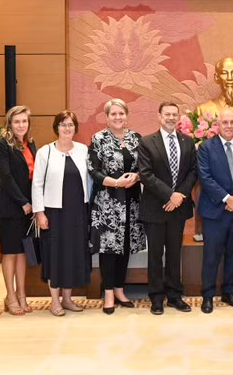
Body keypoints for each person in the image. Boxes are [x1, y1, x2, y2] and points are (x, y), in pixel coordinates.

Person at [138, 101, 198, 315]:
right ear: (159, 116)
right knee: (155, 255)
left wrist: (179, 196)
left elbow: (193, 171)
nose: (171, 117)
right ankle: (156, 298)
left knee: (174, 253)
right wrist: (168, 194)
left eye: (175, 114)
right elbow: (145, 174)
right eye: (167, 114)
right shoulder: (146, 142)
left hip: (178, 207)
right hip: (155, 206)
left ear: (179, 117)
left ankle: (174, 296)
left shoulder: (188, 142)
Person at [88, 99, 147, 315]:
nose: (118, 117)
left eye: (121, 113)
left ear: (126, 115)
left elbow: (146, 166)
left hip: (131, 201)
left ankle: (121, 290)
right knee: (108, 249)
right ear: (106, 117)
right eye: (113, 114)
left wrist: (138, 176)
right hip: (108, 203)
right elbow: (93, 171)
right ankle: (109, 293)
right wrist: (116, 182)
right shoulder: (98, 139)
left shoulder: (136, 138)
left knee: (124, 247)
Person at [32, 110, 91, 316]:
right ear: (56, 127)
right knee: (55, 255)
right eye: (63, 124)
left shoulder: (83, 150)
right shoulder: (45, 152)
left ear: (76, 128)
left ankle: (67, 298)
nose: (67, 128)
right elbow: (37, 184)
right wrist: (40, 212)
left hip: (77, 213)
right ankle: (54, 301)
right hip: (54, 213)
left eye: (71, 125)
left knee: (73, 254)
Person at [196, 108, 233, 314]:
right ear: (217, 125)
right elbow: (205, 177)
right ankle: (208, 295)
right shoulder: (205, 148)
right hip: (214, 211)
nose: (229, 126)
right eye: (225, 122)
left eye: (232, 122)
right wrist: (227, 198)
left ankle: (229, 292)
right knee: (211, 255)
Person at [0, 105, 37, 316]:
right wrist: (22, 202)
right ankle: (10, 296)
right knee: (10, 253)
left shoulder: (30, 144)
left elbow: (34, 177)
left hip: (28, 208)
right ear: (9, 124)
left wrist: (33, 204)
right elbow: (6, 177)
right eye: (17, 121)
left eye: (24, 121)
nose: (21, 125)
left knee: (22, 254)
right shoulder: (2, 145)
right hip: (10, 207)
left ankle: (22, 294)